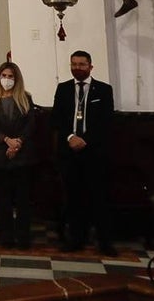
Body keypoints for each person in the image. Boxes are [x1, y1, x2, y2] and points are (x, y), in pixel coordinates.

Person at [51, 50, 115, 256]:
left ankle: (105, 242)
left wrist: (85, 140)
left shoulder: (103, 90)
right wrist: (71, 137)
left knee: (99, 197)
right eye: (74, 64)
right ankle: (75, 239)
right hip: (69, 152)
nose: (77, 68)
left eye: (82, 64)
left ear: (90, 66)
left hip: (94, 152)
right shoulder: (63, 89)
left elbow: (106, 122)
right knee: (73, 198)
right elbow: (57, 119)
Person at [0, 62, 35, 249]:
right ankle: (6, 235)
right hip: (0, 154)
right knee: (3, 198)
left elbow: (30, 125)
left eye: (10, 76)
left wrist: (18, 142)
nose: (7, 79)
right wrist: (6, 140)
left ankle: (23, 236)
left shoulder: (26, 99)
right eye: (4, 76)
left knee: (23, 199)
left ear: (17, 79)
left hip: (22, 155)